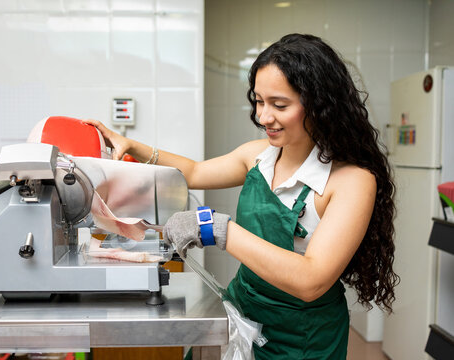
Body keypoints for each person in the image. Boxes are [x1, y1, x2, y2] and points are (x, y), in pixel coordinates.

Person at [84, 33, 398, 359]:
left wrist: (218, 229)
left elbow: (311, 280)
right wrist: (131, 145)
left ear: (319, 105)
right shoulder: (259, 155)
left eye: (279, 105)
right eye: (259, 101)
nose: (263, 117)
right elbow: (192, 173)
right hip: (243, 312)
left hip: (303, 338)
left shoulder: (352, 181)